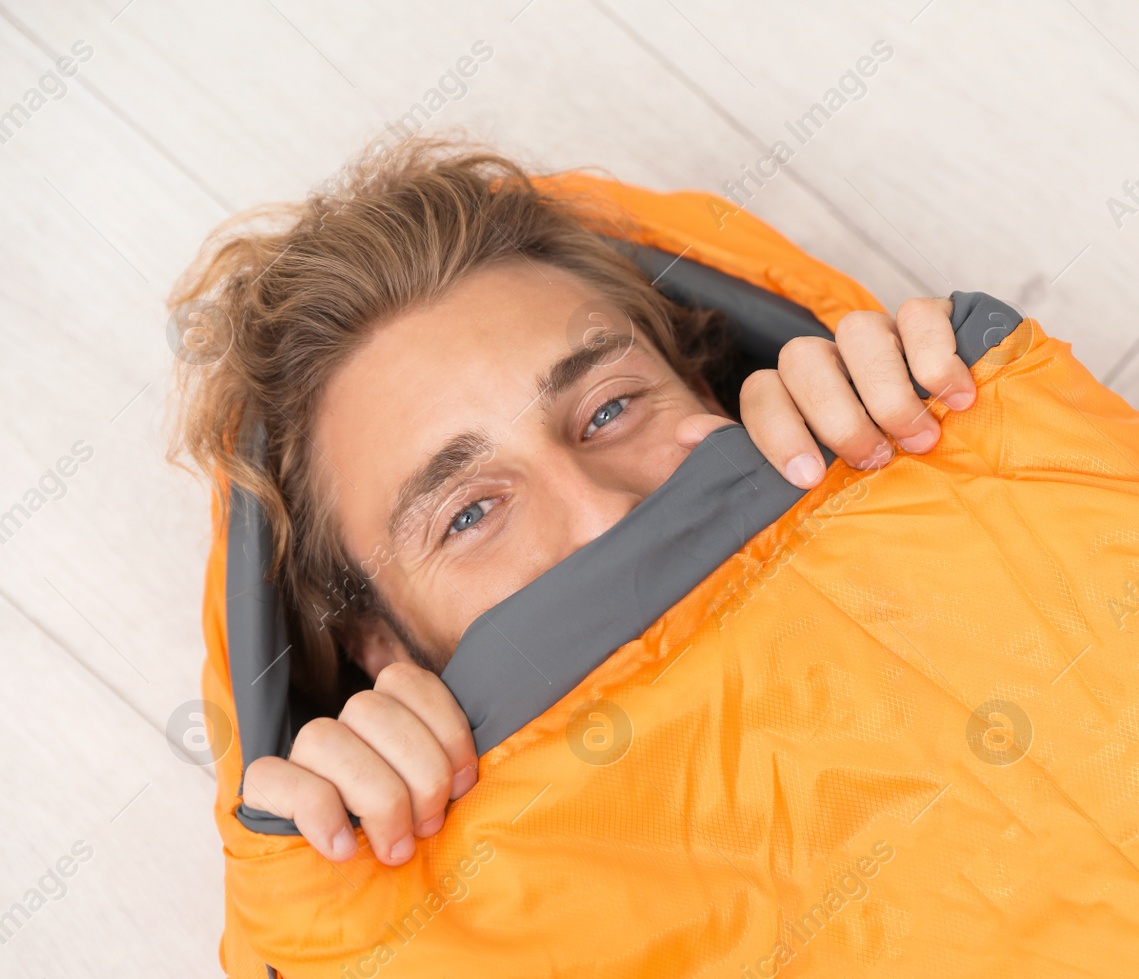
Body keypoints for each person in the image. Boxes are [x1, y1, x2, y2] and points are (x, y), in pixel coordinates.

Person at [170, 139, 971, 870]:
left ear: (701, 388)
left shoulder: (944, 479)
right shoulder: (395, 930)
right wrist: (340, 891)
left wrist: (968, 452)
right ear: (385, 647)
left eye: (610, 409)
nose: (602, 516)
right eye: (469, 514)